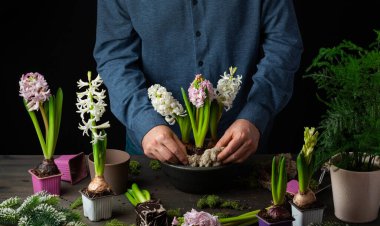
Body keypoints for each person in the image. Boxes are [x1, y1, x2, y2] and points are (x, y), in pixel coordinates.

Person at [94, 0, 303, 165]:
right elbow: (114, 56)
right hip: (151, 149)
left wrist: (257, 113)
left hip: (241, 146)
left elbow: (284, 46)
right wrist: (143, 122)